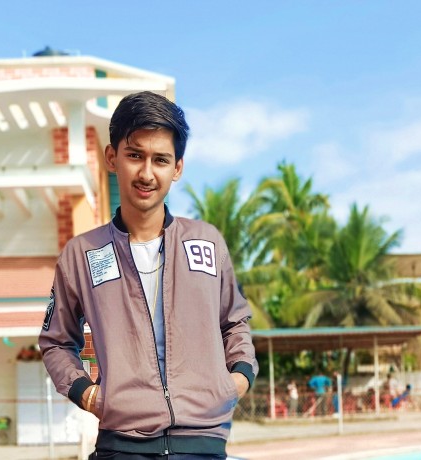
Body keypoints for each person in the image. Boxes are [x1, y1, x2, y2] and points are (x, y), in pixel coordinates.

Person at [38, 91, 258, 460]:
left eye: (160, 160)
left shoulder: (206, 243)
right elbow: (56, 342)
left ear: (177, 168)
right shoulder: (82, 254)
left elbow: (234, 323)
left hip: (202, 443)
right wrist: (87, 394)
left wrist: (237, 379)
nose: (146, 173)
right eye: (135, 155)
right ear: (112, 157)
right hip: (121, 445)